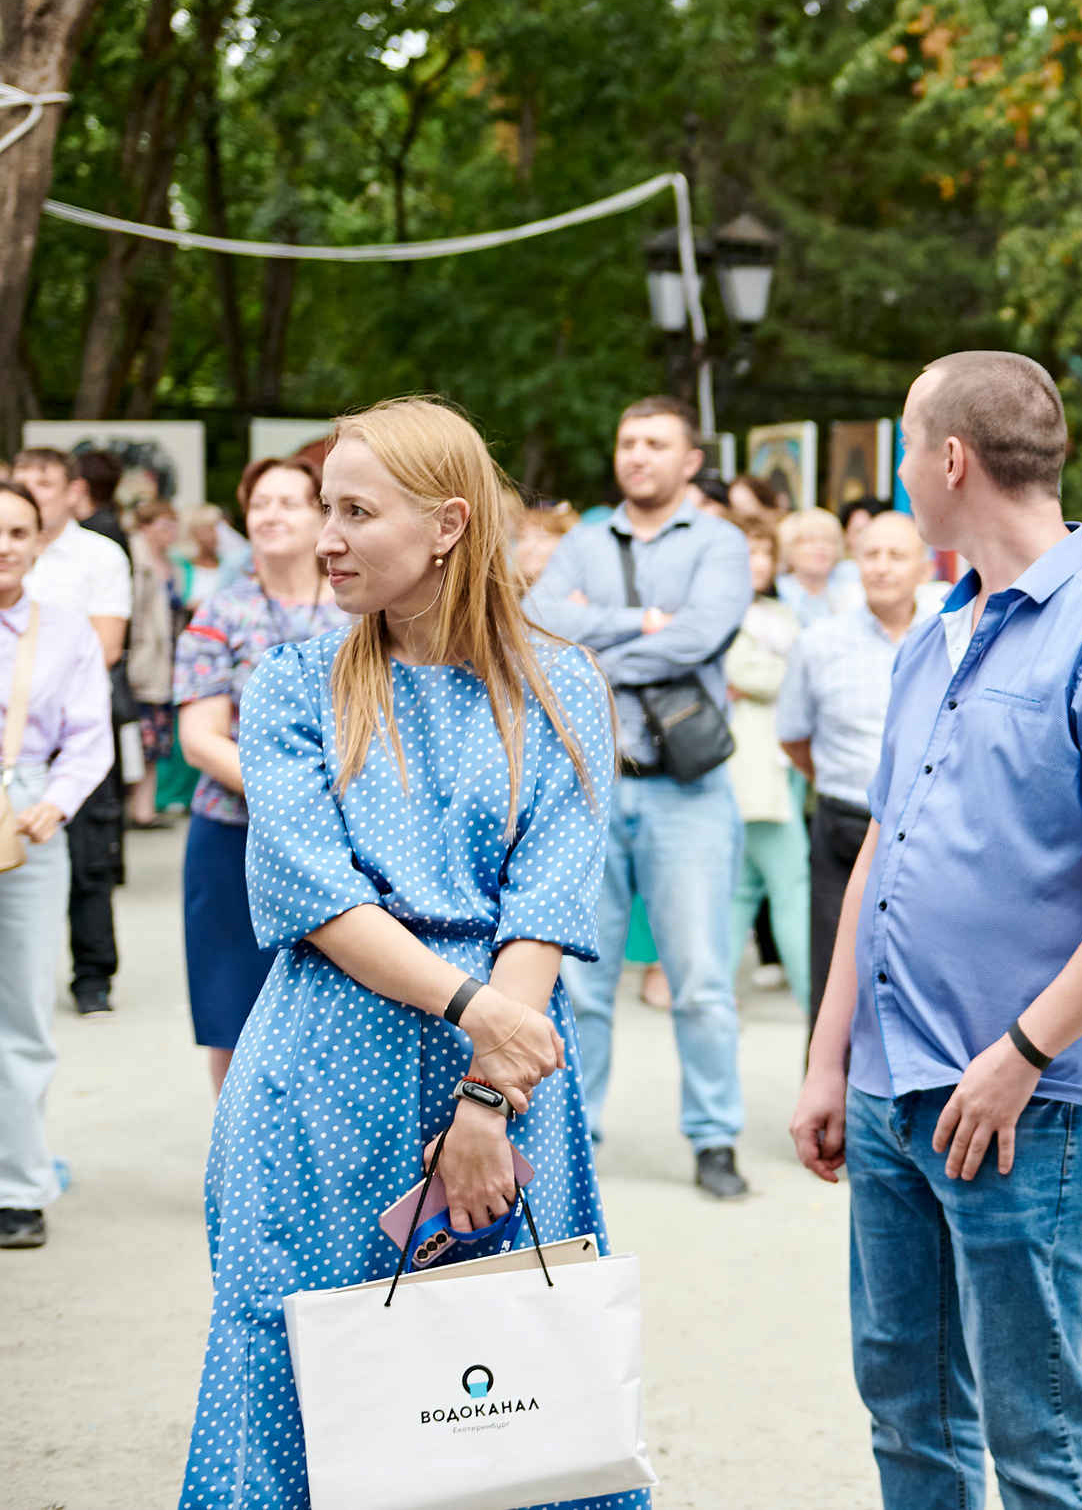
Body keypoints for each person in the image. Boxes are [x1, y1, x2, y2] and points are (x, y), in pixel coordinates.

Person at [179, 398, 630, 1508]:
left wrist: (487, 1099)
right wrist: (481, 1018)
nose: (324, 536)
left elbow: (549, 902)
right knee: (302, 1368)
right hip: (322, 1073)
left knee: (503, 1394)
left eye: (353, 511)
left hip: (502, 1075)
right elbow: (317, 900)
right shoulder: (294, 683)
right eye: (322, 509)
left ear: (447, 526)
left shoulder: (559, 684)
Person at [788, 351, 1082, 1510]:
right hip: (889, 1090)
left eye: (908, 449)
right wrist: (829, 1061)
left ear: (951, 460)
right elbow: (879, 852)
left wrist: (1018, 1058)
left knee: (1035, 1429)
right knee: (906, 1410)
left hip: (1028, 1105)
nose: (903, 476)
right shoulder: (932, 633)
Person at [527, 396, 754, 1200]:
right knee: (581, 983)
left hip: (687, 793)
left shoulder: (721, 542)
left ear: (691, 459)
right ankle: (570, 1135)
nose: (638, 455)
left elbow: (703, 633)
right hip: (591, 788)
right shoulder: (584, 540)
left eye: (656, 443)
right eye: (628, 441)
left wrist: (598, 646)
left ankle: (715, 1137)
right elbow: (539, 619)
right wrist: (643, 620)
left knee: (697, 977)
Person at [172, 458, 350, 1093]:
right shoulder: (219, 611)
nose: (272, 515)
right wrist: (294, 794)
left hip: (345, 841)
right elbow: (199, 739)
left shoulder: (361, 612)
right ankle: (240, 1169)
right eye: (260, 504)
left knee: (339, 1014)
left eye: (290, 502)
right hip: (232, 840)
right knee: (233, 1014)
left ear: (321, 515)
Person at [0, 479, 114, 1250]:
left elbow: (89, 736)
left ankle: (17, 1185)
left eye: (17, 529)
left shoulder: (65, 629)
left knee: (20, 1009)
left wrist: (57, 802)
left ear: (39, 541)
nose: (4, 542)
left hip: (26, 814)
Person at [776, 509, 933, 1038]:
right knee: (833, 978)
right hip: (843, 825)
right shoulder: (819, 643)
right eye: (870, 554)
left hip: (932, 831)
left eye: (896, 555)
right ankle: (827, 1108)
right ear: (854, 563)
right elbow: (794, 737)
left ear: (924, 566)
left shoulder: (951, 638)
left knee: (924, 978)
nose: (882, 567)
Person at [14, 447, 129, 1021]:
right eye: (24, 479)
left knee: (87, 863)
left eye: (45, 481)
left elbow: (105, 646)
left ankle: (92, 975)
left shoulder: (96, 556)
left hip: (57, 747)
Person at [724, 513, 810, 1009]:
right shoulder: (723, 615)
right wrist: (790, 670)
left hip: (783, 771)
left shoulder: (777, 612)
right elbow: (754, 672)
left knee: (743, 891)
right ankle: (814, 1009)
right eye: (747, 553)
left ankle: (714, 1000)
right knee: (792, 886)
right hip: (752, 771)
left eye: (763, 553)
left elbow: (797, 671)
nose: (756, 563)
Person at [126, 499, 183, 827]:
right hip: (143, 661)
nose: (169, 533)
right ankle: (138, 809)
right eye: (163, 525)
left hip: (165, 661)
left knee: (154, 741)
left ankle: (144, 808)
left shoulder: (168, 563)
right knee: (139, 738)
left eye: (172, 526)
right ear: (145, 526)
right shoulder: (137, 560)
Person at [777, 505, 861, 626]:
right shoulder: (777, 591)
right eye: (810, 540)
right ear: (788, 547)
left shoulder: (851, 586)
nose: (820, 547)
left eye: (828, 540)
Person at [515, 501, 581, 587]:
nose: (526, 547)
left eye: (542, 537)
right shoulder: (505, 593)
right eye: (521, 537)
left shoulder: (588, 595)